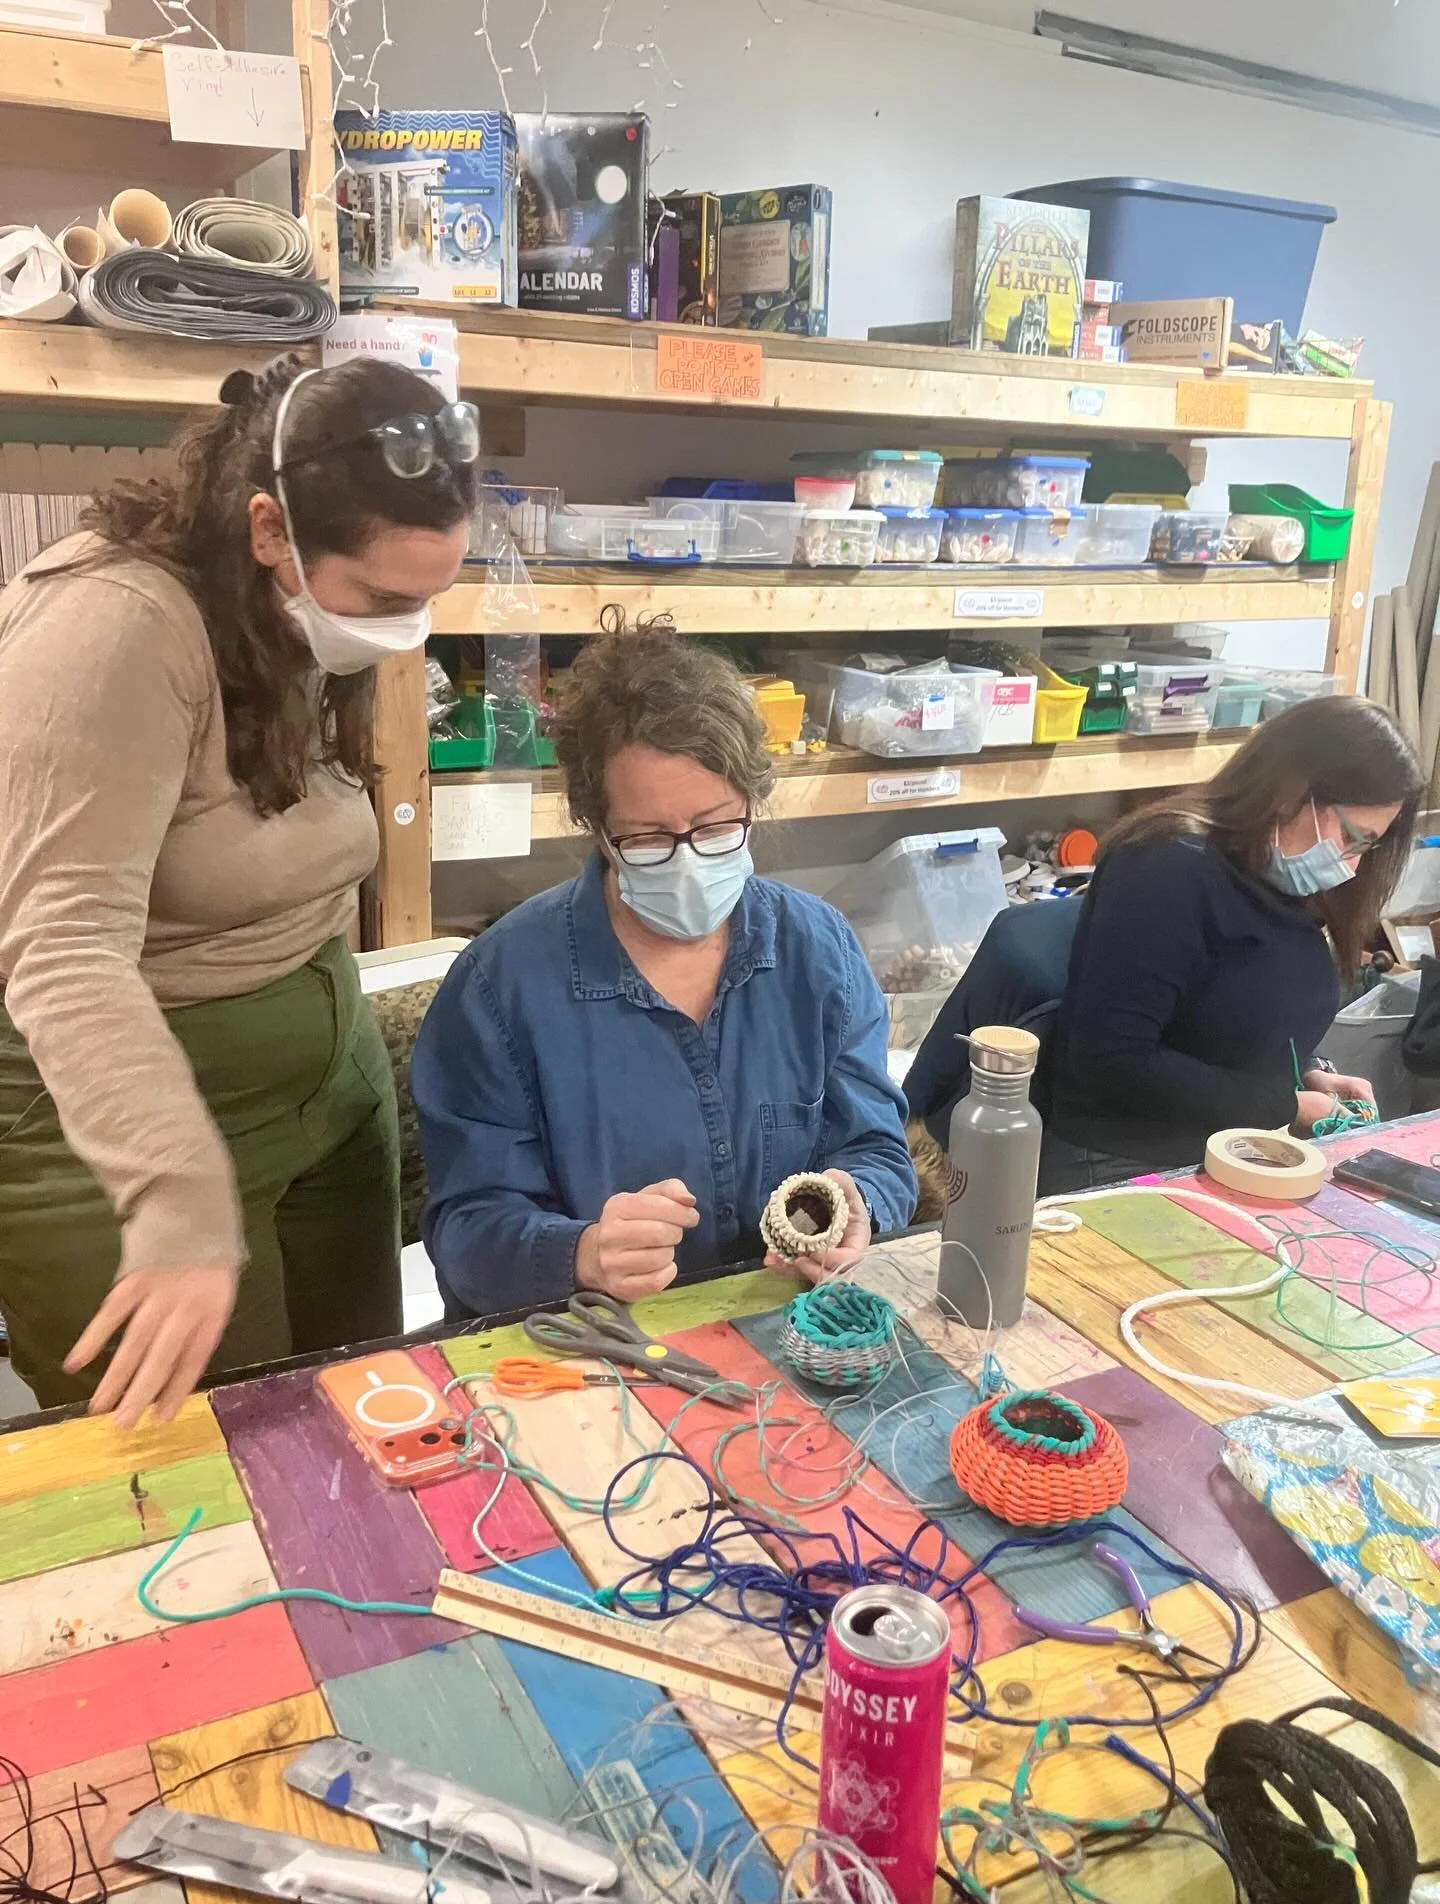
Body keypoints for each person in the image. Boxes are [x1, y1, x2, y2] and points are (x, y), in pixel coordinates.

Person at [0, 354, 477, 1423]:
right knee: (200, 1480)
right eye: (387, 598)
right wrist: (175, 1199)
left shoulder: (295, 609)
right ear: (270, 531)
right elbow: (61, 946)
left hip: (322, 1099)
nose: (406, 630)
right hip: (122, 1130)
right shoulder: (109, 628)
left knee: (348, 1425)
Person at [413, 628, 918, 1315]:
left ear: (752, 801)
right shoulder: (501, 987)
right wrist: (580, 1255)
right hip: (592, 1349)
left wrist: (861, 1203)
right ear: (596, 827)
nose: (687, 862)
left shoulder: (815, 949)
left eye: (714, 829)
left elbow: (878, 1148)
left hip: (782, 1323)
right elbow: (466, 1231)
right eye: (648, 839)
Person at [1038, 695, 1423, 1195]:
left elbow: (1229, 1019)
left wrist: (1307, 1076)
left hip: (1227, 1145)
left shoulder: (1280, 876)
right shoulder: (1165, 869)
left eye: (1365, 847)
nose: (1350, 864)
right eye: (1351, 836)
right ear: (1291, 792)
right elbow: (1114, 1060)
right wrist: (1287, 1106)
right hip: (1124, 1159)